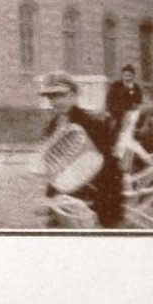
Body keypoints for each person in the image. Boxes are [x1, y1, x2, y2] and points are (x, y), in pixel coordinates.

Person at [39, 71, 123, 228]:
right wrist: (51, 200)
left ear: (74, 96)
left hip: (91, 201)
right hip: (63, 202)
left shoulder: (93, 124)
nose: (55, 101)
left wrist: (108, 215)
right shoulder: (52, 127)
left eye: (60, 95)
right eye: (50, 97)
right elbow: (53, 168)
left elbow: (110, 170)